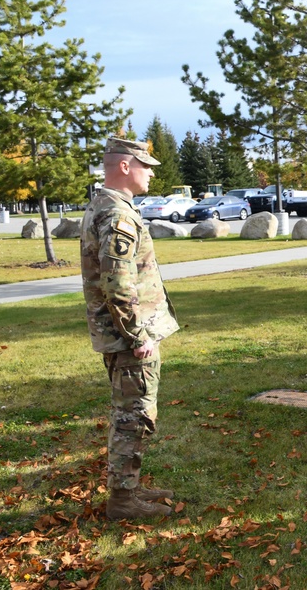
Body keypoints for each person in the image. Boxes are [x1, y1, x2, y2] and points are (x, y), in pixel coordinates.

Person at [81, 137, 180, 520]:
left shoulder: (109, 206)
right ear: (125, 166)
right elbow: (118, 283)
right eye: (147, 165)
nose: (152, 172)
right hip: (129, 338)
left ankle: (130, 485)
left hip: (123, 334)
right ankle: (123, 501)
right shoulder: (117, 215)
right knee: (133, 415)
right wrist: (137, 336)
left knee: (131, 412)